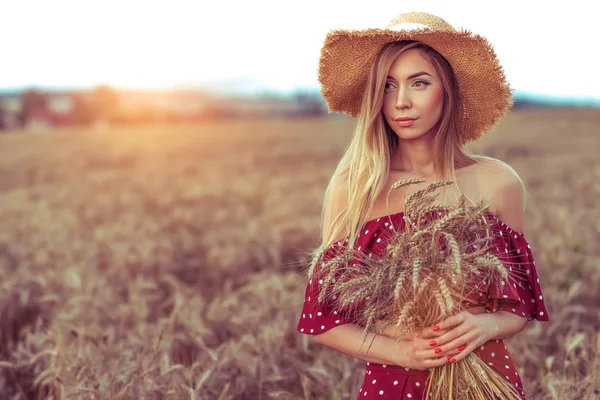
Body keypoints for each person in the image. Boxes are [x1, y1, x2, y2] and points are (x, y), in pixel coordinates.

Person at [296, 11, 550, 400]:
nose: (400, 101)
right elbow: (322, 319)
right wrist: (401, 352)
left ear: (447, 91)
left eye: (419, 83)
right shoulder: (355, 189)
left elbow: (522, 305)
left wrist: (487, 326)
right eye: (387, 85)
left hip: (487, 379)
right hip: (394, 383)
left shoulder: (497, 182)